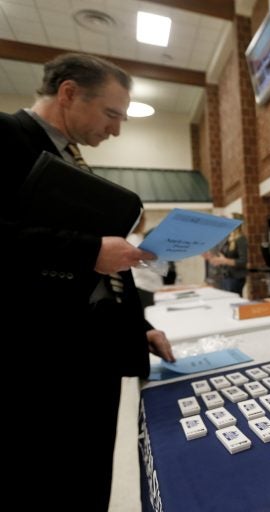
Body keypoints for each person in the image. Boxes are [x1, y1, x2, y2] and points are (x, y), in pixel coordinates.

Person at [0, 53, 175, 510]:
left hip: (93, 352)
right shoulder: (5, 137)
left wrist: (138, 328)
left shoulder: (73, 163)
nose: (116, 130)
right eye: (112, 114)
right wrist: (90, 251)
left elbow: (102, 270)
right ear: (69, 93)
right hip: (40, 362)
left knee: (93, 475)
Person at [126, 214, 164, 308]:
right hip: (143, 287)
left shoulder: (135, 238)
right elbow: (143, 266)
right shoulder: (134, 239)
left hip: (144, 286)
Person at [203, 223, 248, 296]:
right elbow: (223, 257)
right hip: (225, 276)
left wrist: (224, 261)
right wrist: (215, 259)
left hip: (235, 277)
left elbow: (243, 262)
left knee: (234, 301)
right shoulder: (229, 239)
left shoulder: (240, 239)